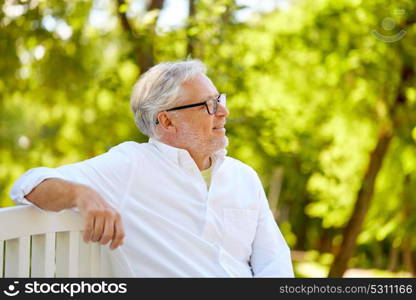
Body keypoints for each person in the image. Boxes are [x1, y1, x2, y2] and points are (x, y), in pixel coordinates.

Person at [10, 59, 294, 277]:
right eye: (208, 105)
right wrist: (81, 195)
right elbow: (29, 184)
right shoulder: (130, 165)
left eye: (219, 100)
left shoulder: (243, 176)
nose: (223, 111)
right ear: (167, 122)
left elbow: (273, 261)